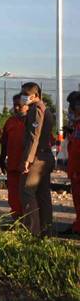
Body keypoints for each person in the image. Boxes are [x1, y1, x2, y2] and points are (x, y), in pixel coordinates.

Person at [19, 82, 55, 236]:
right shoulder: (45, 109)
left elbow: (35, 136)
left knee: (27, 191)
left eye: (25, 95)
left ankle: (32, 231)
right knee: (43, 194)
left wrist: (28, 159)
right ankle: (46, 230)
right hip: (45, 155)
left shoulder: (36, 110)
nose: (23, 98)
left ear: (34, 95)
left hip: (38, 156)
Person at [0, 94, 29, 220]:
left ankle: (28, 220)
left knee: (27, 194)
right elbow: (4, 142)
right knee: (13, 195)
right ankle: (16, 219)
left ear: (27, 106)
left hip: (28, 166)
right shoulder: (10, 121)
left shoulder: (34, 122)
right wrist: (1, 159)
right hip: (12, 164)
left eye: (20, 105)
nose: (16, 108)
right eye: (14, 105)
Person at [63, 91, 80, 236]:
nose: (70, 110)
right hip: (75, 170)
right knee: (77, 200)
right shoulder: (76, 126)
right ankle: (77, 225)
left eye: (72, 106)